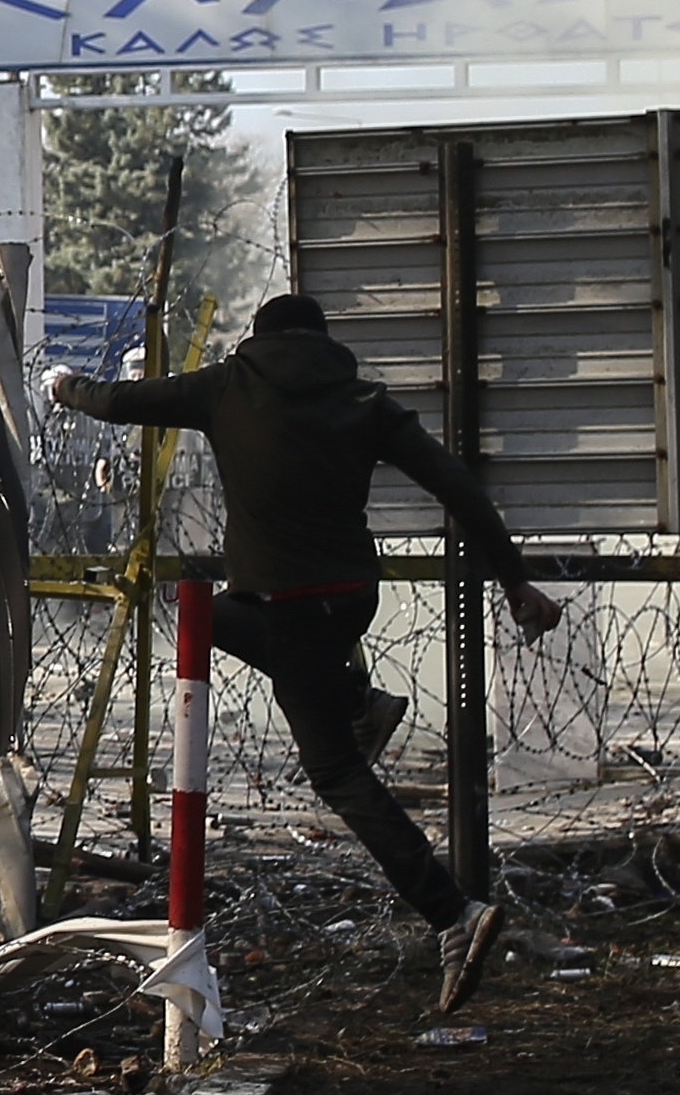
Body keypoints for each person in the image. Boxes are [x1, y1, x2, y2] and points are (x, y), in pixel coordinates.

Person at [48, 290, 560, 1018]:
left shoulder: (228, 384)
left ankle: (453, 913)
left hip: (289, 609)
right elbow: (457, 484)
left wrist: (67, 388)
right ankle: (358, 700)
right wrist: (515, 582)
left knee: (339, 775)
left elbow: (124, 401)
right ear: (322, 343)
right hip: (348, 596)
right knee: (207, 614)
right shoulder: (362, 399)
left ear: (259, 339)